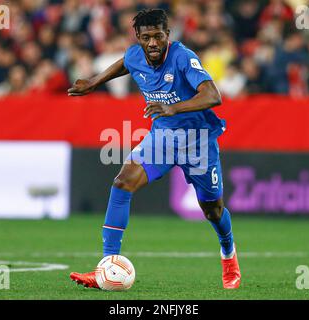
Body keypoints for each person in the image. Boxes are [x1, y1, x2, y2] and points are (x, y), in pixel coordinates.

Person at [67, 9, 241, 290]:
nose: (152, 43)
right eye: (146, 37)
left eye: (158, 36)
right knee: (122, 182)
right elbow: (126, 63)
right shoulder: (136, 54)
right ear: (138, 37)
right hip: (163, 138)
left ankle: (228, 254)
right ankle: (107, 267)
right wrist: (92, 82)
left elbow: (213, 95)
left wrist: (172, 107)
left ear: (167, 35)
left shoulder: (183, 56)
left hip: (198, 141)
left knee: (212, 210)